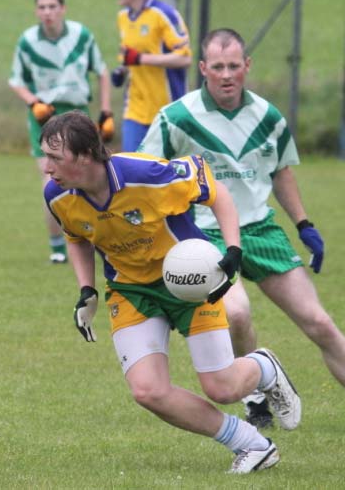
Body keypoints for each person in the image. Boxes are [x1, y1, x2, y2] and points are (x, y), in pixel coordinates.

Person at [140, 28, 345, 434]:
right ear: (202, 68)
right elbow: (147, 175)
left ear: (247, 66)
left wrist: (304, 224)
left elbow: (280, 172)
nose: (226, 75)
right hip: (207, 233)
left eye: (234, 66)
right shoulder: (176, 117)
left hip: (262, 230)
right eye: (217, 67)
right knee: (236, 313)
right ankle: (257, 396)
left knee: (319, 322)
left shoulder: (268, 116)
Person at [39, 110, 302, 475]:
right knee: (148, 391)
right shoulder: (57, 195)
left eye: (54, 158)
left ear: (84, 157)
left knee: (222, 388)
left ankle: (264, 367)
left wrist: (233, 249)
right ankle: (252, 444)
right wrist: (86, 289)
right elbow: (76, 236)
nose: (46, 167)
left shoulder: (146, 175)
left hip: (189, 283)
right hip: (131, 291)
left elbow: (215, 190)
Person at [9, 0, 113, 264]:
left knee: (91, 177)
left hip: (77, 114)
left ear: (63, 9)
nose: (47, 12)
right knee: (51, 181)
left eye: (52, 6)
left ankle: (98, 239)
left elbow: (102, 72)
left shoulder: (81, 35)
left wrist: (106, 113)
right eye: (42, 7)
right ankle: (58, 247)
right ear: (36, 11)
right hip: (43, 116)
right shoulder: (28, 41)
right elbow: (16, 80)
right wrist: (33, 103)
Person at [111, 0, 192, 151]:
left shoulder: (164, 14)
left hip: (167, 110)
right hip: (135, 109)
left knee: (166, 175)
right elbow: (129, 56)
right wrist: (121, 70)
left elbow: (185, 58)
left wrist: (141, 59)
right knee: (130, 171)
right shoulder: (123, 17)